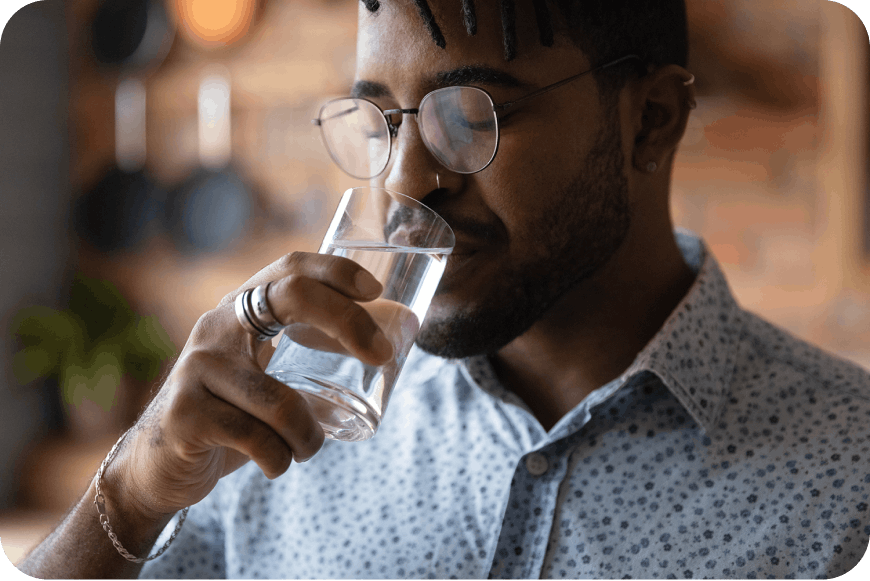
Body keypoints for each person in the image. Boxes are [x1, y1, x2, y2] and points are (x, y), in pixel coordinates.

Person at [18, 1, 870, 579]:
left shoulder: (848, 477)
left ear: (651, 120)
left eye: (471, 117)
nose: (404, 184)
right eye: (382, 121)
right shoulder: (278, 429)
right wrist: (130, 492)